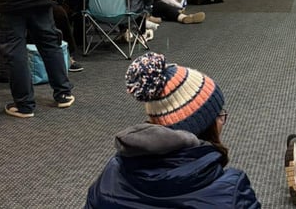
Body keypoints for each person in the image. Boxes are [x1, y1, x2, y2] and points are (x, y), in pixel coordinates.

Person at [86, 52, 260, 207]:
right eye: (220, 115)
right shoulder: (231, 192)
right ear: (203, 125)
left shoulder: (110, 175)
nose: (223, 120)